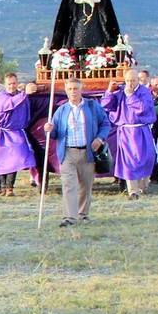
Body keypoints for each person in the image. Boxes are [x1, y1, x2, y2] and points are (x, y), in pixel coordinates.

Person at [45, 78, 112, 225]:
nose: (73, 92)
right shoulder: (61, 110)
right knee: (69, 184)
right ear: (66, 91)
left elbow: (106, 123)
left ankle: (83, 215)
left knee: (85, 185)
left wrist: (100, 139)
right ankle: (70, 217)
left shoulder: (92, 106)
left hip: (87, 152)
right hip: (68, 153)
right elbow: (54, 133)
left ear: (81, 89)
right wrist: (49, 130)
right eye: (70, 89)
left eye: (76, 88)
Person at [100, 69, 156, 199]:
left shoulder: (144, 92)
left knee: (146, 158)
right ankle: (133, 191)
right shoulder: (120, 91)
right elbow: (107, 106)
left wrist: (131, 96)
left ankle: (143, 186)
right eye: (128, 80)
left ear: (138, 80)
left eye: (133, 80)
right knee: (128, 160)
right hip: (125, 131)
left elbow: (142, 109)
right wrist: (109, 91)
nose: (130, 83)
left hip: (141, 130)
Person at [0, 74, 38, 196]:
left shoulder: (22, 96)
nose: (12, 86)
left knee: (15, 160)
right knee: (2, 160)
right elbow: (8, 104)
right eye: (9, 84)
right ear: (5, 85)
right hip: (3, 133)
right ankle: (1, 186)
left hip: (17, 133)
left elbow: (26, 112)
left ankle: (10, 188)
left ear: (17, 83)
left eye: (14, 83)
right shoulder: (1, 96)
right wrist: (24, 93)